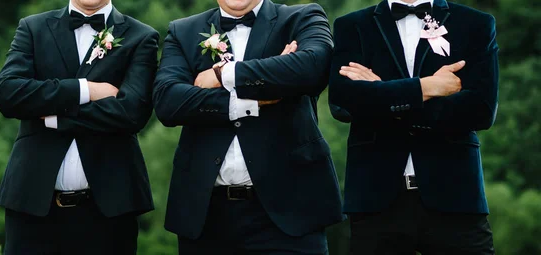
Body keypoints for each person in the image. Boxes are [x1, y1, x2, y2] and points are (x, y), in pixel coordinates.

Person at [153, 0, 344, 253]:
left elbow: (313, 68)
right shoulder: (182, 30)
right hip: (206, 217)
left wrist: (223, 75)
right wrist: (256, 97)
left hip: (291, 214)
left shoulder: (302, 17)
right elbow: (168, 101)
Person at [329, 0, 498, 254]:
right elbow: (343, 103)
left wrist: (382, 93)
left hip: (455, 195)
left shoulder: (476, 23)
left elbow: (481, 109)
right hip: (375, 199)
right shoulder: (351, 26)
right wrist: (427, 88)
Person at [0, 0, 158, 254]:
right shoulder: (33, 27)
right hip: (32, 205)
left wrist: (53, 117)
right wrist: (86, 89)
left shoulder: (141, 36)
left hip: (110, 209)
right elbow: (9, 94)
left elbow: (131, 112)